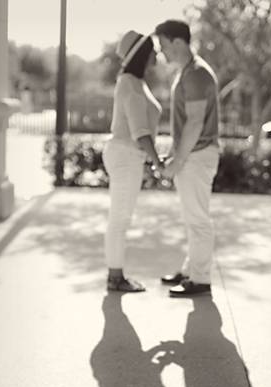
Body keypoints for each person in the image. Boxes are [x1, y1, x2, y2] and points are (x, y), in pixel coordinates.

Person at [154, 20, 220, 297]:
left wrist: (177, 163)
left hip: (197, 156)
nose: (161, 52)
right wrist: (173, 156)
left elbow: (194, 123)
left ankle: (200, 280)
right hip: (193, 155)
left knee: (198, 219)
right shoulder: (188, 72)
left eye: (164, 45)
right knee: (193, 217)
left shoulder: (195, 74)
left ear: (178, 42)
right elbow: (186, 126)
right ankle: (191, 270)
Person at [103, 30, 163, 292]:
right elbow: (141, 133)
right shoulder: (129, 83)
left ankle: (116, 276)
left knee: (120, 218)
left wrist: (149, 161)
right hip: (126, 155)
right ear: (142, 54)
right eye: (154, 51)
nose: (158, 55)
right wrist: (158, 163)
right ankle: (115, 278)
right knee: (119, 220)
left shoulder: (136, 82)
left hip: (129, 155)